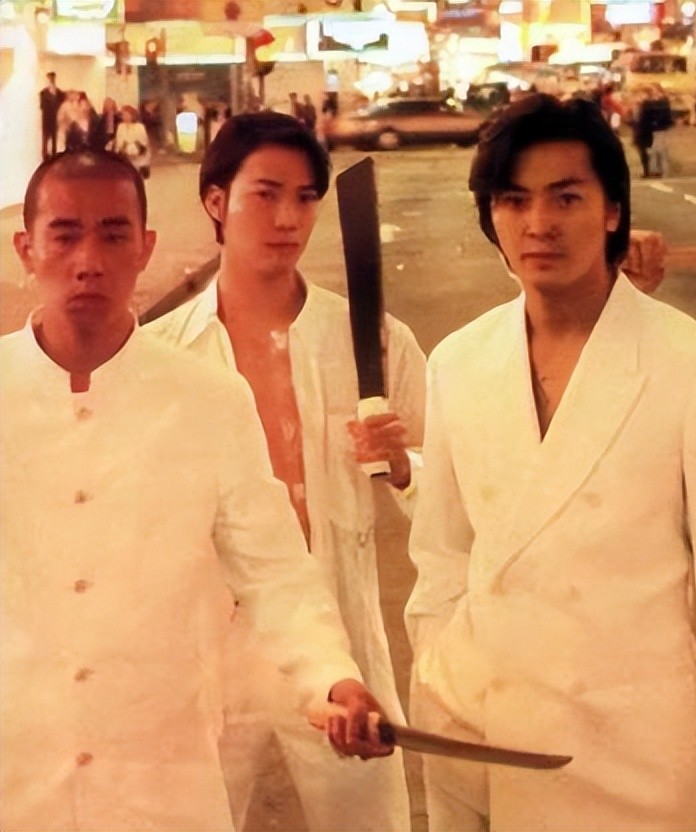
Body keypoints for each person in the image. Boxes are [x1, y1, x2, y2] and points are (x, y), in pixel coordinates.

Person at [405, 94, 696, 831]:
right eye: (514, 200)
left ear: (613, 210)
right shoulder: (458, 361)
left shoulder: (694, 365)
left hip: (632, 749)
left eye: (566, 198)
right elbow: (442, 553)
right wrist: (437, 675)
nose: (539, 223)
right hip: (483, 727)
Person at [1, 149, 392, 831]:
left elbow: (274, 570)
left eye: (113, 235)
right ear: (25, 248)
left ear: (146, 248)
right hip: (17, 761)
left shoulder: (207, 399)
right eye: (64, 235)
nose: (88, 260)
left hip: (161, 770)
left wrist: (330, 674)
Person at [145, 113, 420, 832]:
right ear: (215, 200)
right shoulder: (162, 355)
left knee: (364, 820)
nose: (288, 218)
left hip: (336, 637)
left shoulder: (371, 342)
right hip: (206, 644)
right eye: (265, 194)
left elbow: (449, 499)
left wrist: (401, 465)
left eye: (304, 198)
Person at [111, 104, 152, 179]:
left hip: (139, 155)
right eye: (123, 115)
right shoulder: (120, 126)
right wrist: (126, 150)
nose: (125, 117)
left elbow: (143, 142)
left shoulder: (140, 127)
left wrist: (135, 151)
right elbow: (119, 142)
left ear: (132, 115)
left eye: (127, 115)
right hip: (125, 156)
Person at [39, 71, 65, 159]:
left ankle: (53, 156)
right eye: (50, 78)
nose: (51, 80)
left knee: (54, 139)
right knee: (45, 140)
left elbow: (62, 105)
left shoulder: (59, 93)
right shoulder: (43, 93)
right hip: (46, 120)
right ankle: (45, 157)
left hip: (55, 119)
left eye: (53, 78)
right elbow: (42, 106)